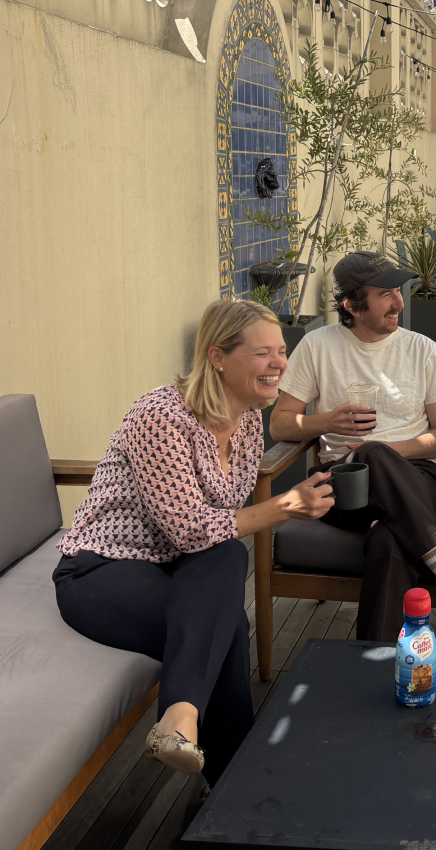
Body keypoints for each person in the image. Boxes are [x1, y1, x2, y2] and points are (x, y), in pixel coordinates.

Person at [54, 300, 335, 784]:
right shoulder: (161, 417)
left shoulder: (247, 420)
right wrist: (285, 505)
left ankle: (186, 727)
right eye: (263, 352)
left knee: (225, 562)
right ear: (218, 357)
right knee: (221, 627)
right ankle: (235, 788)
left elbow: (211, 530)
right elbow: (192, 530)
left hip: (179, 564)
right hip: (102, 569)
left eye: (282, 352)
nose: (280, 364)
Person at [271, 251, 436, 646]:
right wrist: (326, 422)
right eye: (385, 294)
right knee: (368, 456)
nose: (399, 302)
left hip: (416, 475)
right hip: (342, 483)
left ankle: (371, 664)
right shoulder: (316, 346)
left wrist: (390, 448)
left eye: (399, 291)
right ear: (351, 306)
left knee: (387, 531)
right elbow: (279, 423)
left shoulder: (423, 350)